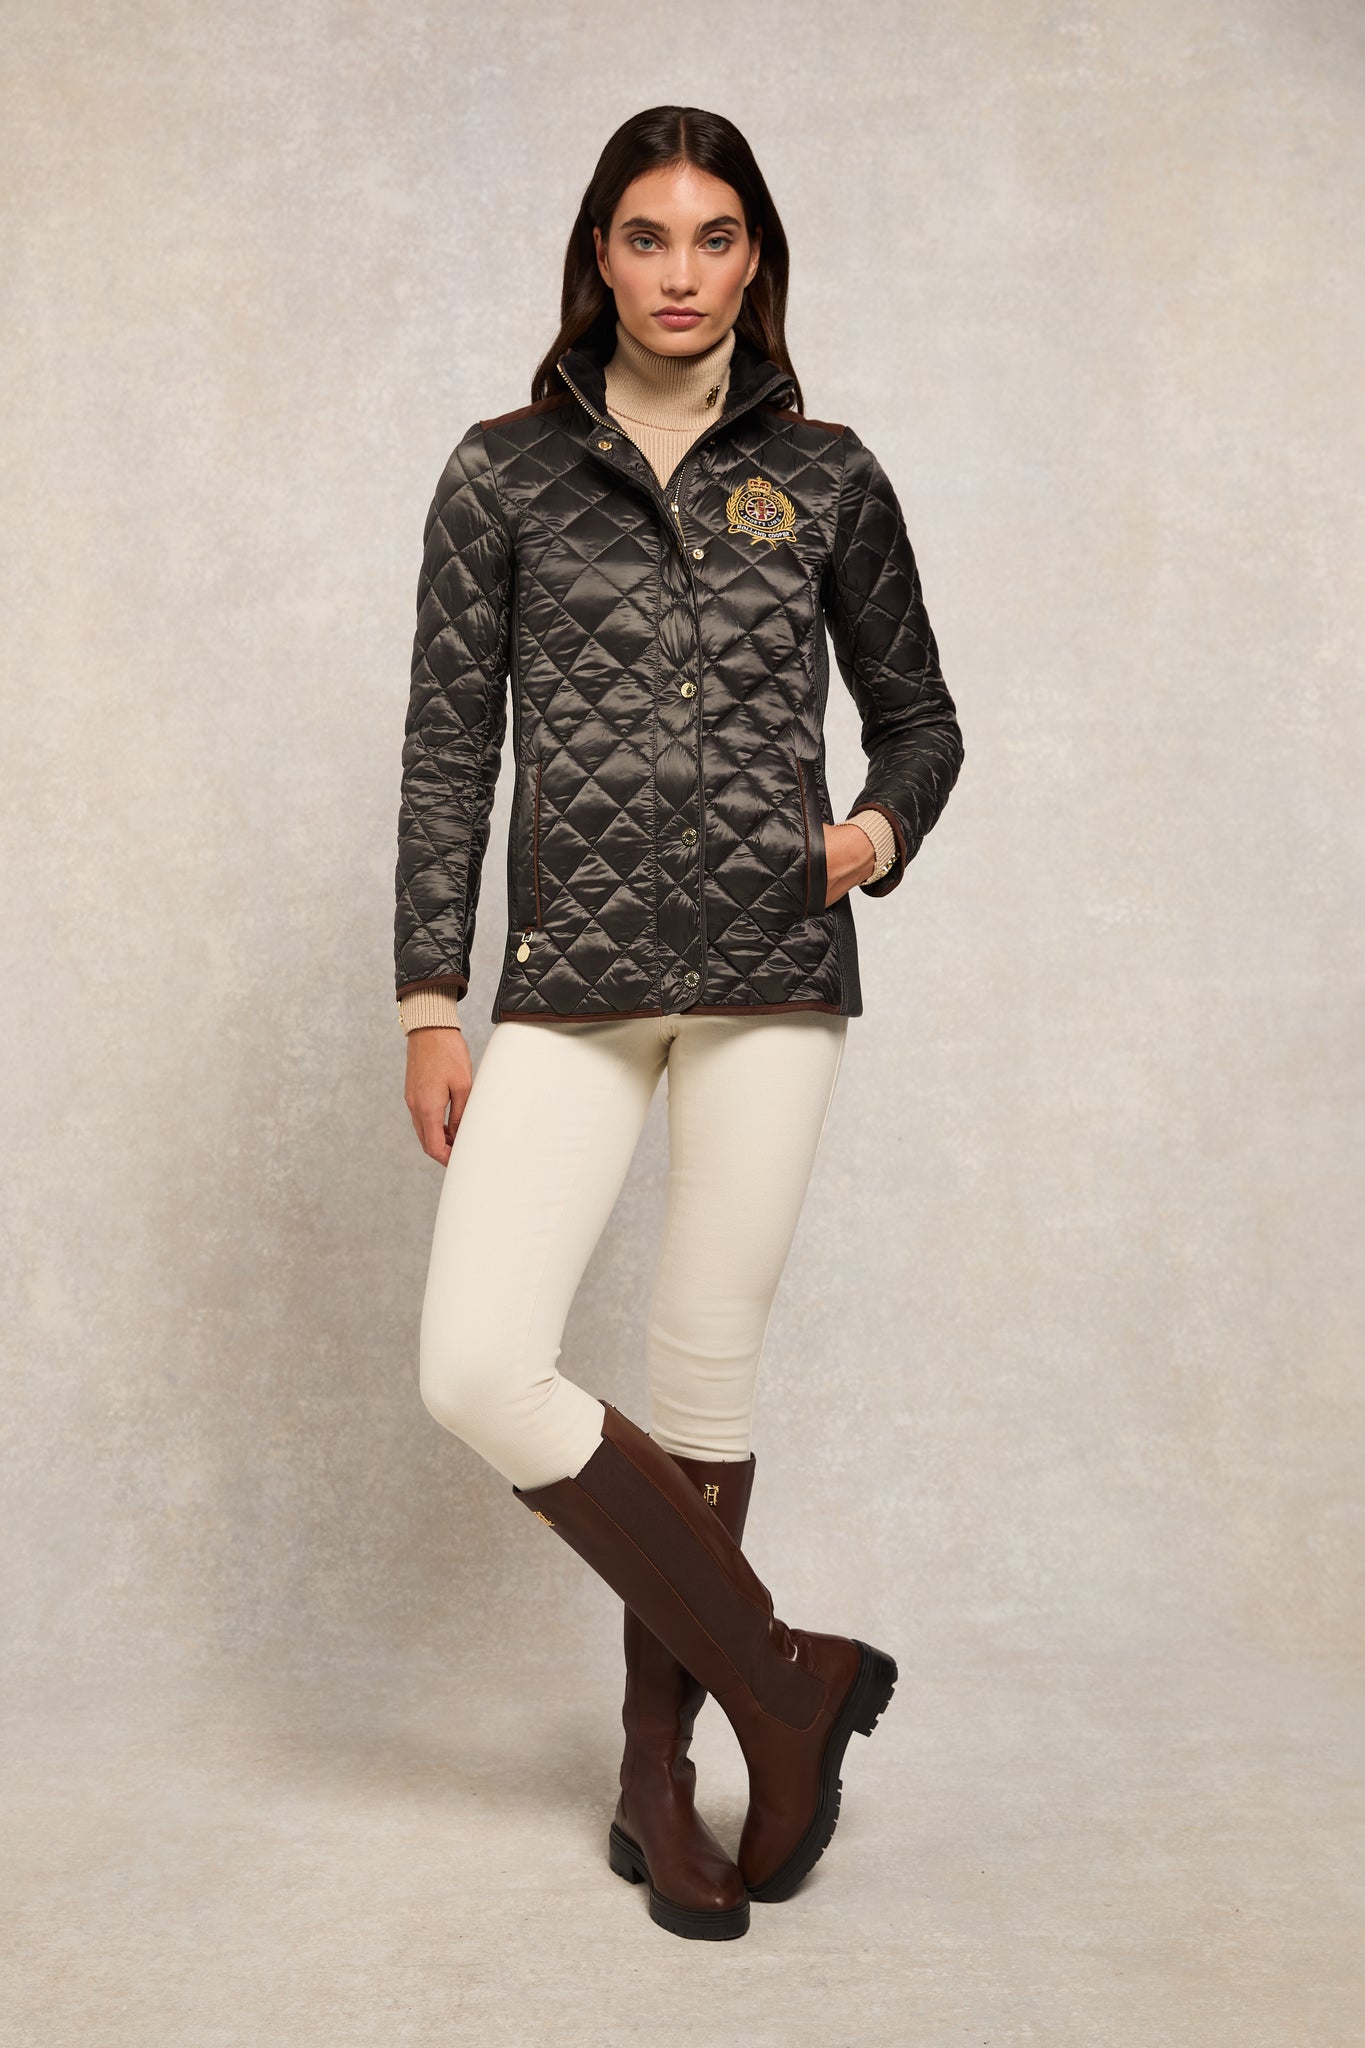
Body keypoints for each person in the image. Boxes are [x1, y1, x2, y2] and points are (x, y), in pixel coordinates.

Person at [393, 105, 964, 1942]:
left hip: (770, 979)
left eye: (715, 238)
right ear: (600, 254)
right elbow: (447, 749)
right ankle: (788, 1679)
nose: (681, 273)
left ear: (753, 259)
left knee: (705, 1373)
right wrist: (429, 995)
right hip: (568, 980)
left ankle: (661, 1776)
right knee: (478, 1364)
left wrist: (868, 838)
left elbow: (920, 720)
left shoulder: (827, 474)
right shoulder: (501, 473)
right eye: (648, 236)